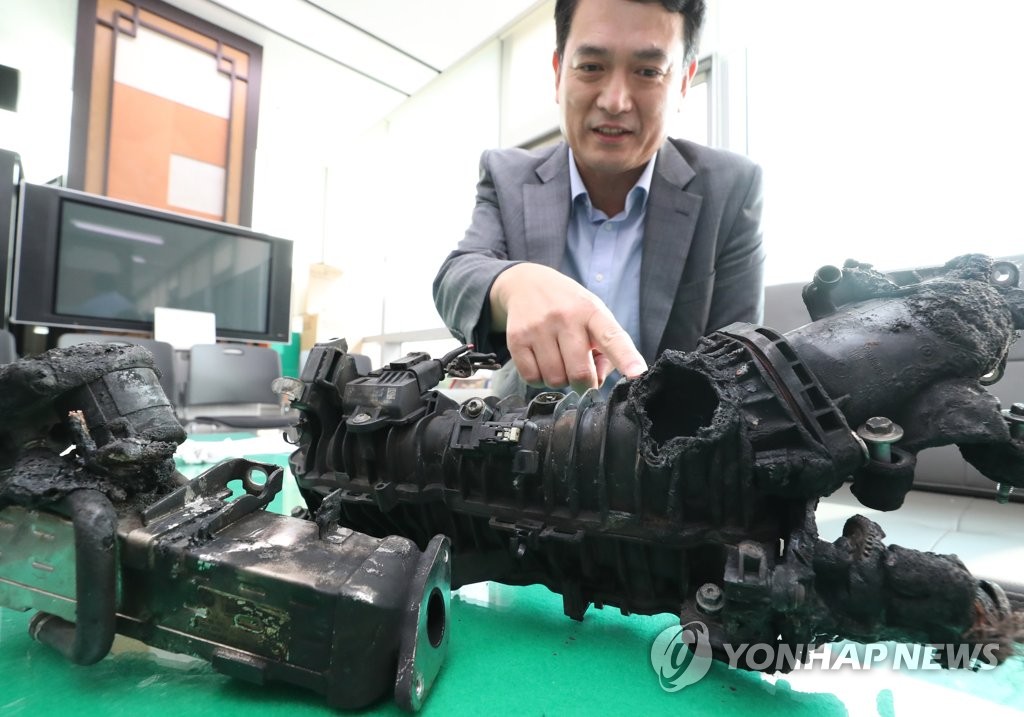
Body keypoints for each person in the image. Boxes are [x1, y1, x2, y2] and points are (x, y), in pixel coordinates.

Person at [433, 0, 764, 399]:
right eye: (591, 66)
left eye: (648, 71)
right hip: (522, 430)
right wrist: (513, 284)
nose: (615, 101)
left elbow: (739, 366)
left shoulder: (731, 187)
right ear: (558, 73)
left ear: (682, 83)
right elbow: (456, 278)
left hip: (668, 434)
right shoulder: (507, 174)